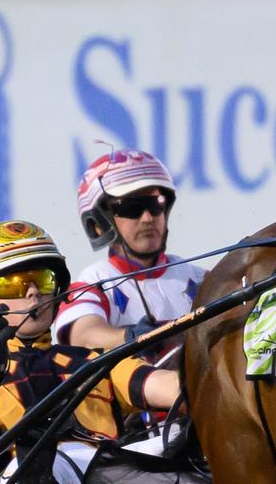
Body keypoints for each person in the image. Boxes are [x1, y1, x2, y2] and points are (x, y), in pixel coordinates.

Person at [0, 220, 212, 484]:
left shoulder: (92, 361)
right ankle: (41, 474)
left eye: (43, 280)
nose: (33, 293)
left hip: (113, 468)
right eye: (13, 284)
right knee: (47, 463)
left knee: (180, 435)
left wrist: (223, 387)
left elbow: (164, 387)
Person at [56, 149, 206, 371]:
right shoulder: (91, 283)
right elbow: (83, 337)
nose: (148, 218)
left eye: (156, 204)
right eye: (132, 208)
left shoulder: (202, 278)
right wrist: (132, 336)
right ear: (99, 222)